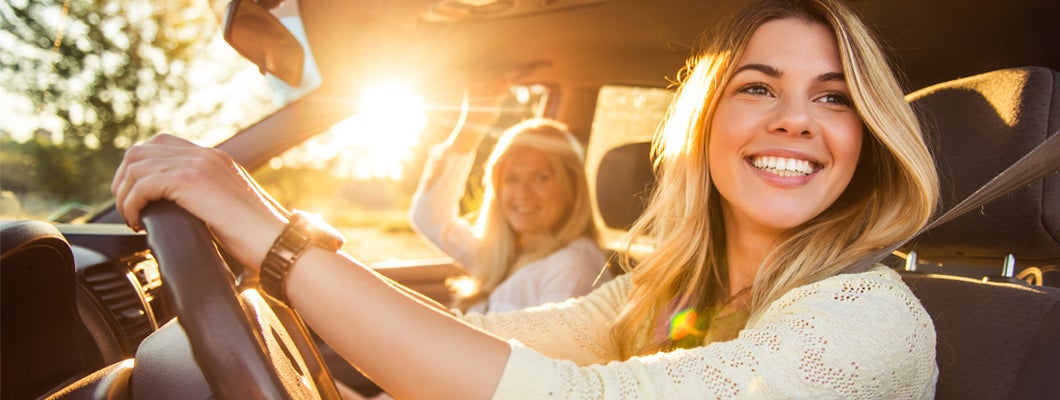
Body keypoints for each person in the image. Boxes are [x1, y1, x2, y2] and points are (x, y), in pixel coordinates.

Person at [111, 0, 941, 397]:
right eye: (759, 88)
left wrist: (271, 234)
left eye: (834, 98)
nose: (796, 120)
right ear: (705, 127)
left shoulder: (868, 322)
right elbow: (478, 344)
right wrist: (300, 321)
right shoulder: (668, 291)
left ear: (865, 140)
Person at [408, 110, 609, 313]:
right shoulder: (502, 253)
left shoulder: (573, 266)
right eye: (512, 179)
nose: (523, 193)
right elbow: (429, 219)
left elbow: (547, 344)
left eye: (541, 177)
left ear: (572, 188)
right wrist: (472, 124)